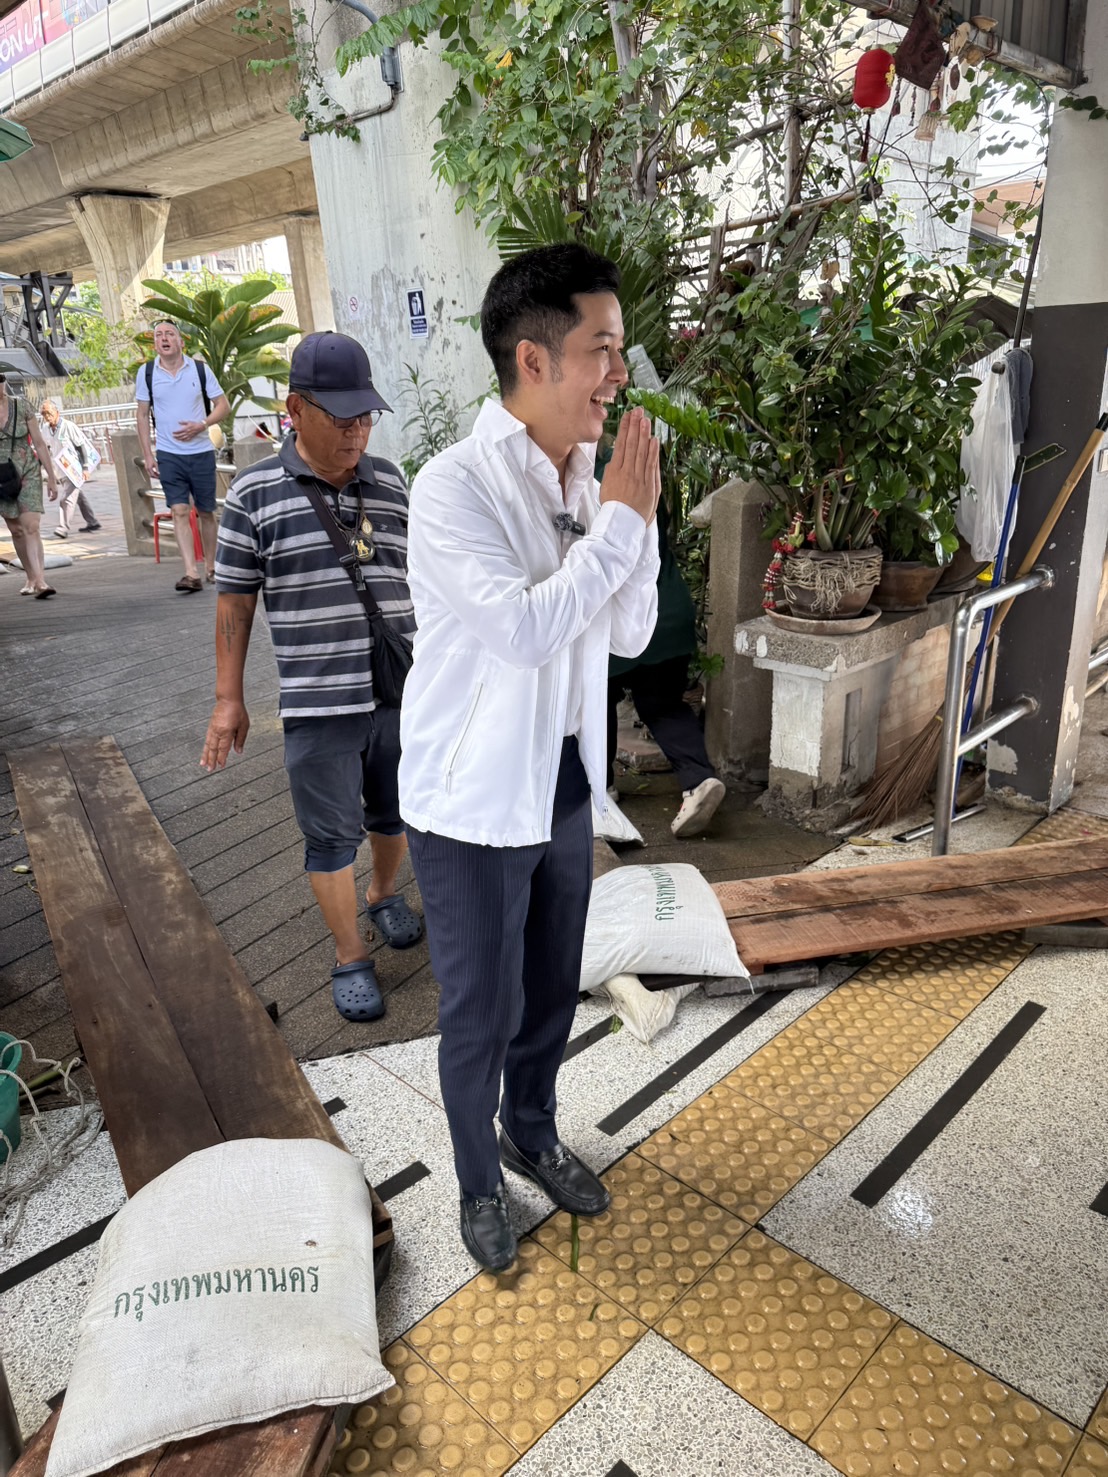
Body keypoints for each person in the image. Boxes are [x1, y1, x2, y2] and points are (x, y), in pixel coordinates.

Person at [399, 243, 661, 1272]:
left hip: (560, 781)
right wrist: (616, 530)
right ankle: (474, 1182)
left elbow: (628, 632)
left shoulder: (590, 480)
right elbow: (520, 630)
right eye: (601, 349)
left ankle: (534, 1130)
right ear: (533, 359)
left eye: (621, 350)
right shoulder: (452, 487)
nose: (617, 374)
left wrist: (632, 529)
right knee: (480, 1010)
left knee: (551, 985)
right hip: (467, 802)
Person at [200, 331, 422, 1024]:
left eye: (365, 417)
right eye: (341, 417)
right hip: (318, 702)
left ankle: (384, 895)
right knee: (330, 836)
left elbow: (421, 577)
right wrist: (227, 700)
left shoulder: (389, 480)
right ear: (295, 408)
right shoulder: (253, 496)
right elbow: (234, 601)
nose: (357, 432)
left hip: (399, 689)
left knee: (395, 812)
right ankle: (350, 953)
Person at [606, 497, 726, 837]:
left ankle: (599, 790)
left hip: (622, 618)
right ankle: (699, 780)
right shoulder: (643, 475)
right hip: (668, 609)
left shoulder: (584, 481)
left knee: (595, 703)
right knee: (663, 705)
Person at [135, 321, 230, 593]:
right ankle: (191, 572)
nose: (164, 338)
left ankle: (210, 565)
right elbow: (142, 414)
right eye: (159, 335)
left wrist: (203, 424)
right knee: (178, 510)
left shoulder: (199, 369)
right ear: (155, 344)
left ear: (180, 341)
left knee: (207, 512)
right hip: (168, 454)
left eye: (170, 334)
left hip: (200, 452)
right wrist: (148, 455)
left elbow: (223, 405)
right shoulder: (148, 372)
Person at [0, 374, 61, 598]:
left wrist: (52, 477)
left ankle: (40, 580)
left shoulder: (21, 406)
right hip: (2, 477)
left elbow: (39, 443)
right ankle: (30, 576)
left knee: (31, 526)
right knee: (16, 530)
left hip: (27, 470)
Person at [38, 400, 101, 537]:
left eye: (49, 413)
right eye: (44, 414)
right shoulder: (45, 429)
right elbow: (44, 448)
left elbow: (81, 446)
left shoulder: (68, 426)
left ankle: (63, 527)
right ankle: (92, 521)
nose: (47, 417)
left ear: (57, 413)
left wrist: (85, 467)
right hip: (60, 469)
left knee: (66, 499)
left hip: (75, 468)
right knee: (78, 497)